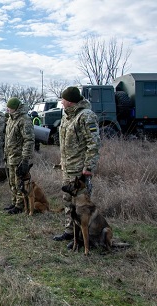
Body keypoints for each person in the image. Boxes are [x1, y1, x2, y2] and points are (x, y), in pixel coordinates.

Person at [52, 86, 101, 248]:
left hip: (80, 171)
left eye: (63, 99)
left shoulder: (85, 116)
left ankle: (81, 238)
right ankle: (69, 231)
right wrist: (62, 162)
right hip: (68, 168)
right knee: (68, 202)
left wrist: (89, 167)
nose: (61, 102)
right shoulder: (67, 116)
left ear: (70, 101)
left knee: (81, 206)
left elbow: (93, 144)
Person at [4, 97, 35, 214]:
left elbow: (29, 140)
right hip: (10, 156)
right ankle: (14, 202)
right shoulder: (11, 119)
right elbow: (8, 139)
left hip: (19, 157)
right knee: (12, 181)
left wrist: (25, 159)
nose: (8, 110)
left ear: (15, 108)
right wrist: (5, 153)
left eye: (10, 108)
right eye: (7, 107)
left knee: (19, 182)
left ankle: (20, 205)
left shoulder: (24, 120)